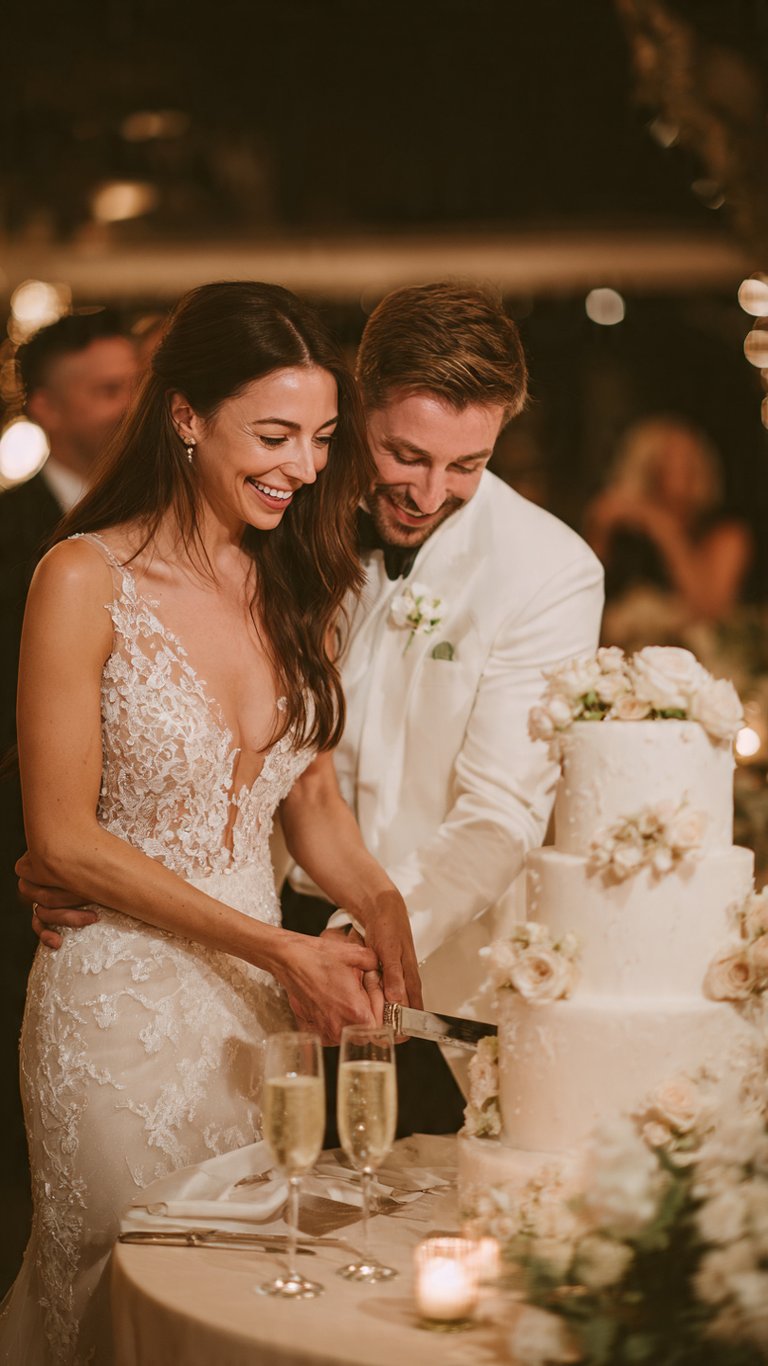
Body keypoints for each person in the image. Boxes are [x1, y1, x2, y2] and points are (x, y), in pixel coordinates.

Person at [24, 283, 605, 1135]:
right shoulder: (288, 518)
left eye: (467, 466)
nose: (429, 493)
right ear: (356, 406)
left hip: (399, 960)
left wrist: (373, 924)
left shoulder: (547, 570)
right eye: (403, 454)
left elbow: (495, 811)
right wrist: (85, 860)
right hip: (217, 944)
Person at [0, 281, 420, 1366]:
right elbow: (63, 839)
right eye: (274, 436)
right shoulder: (83, 577)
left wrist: (380, 903)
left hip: (255, 1024)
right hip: (117, 1007)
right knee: (112, 1301)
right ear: (186, 415)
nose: (304, 467)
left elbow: (310, 803)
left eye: (321, 438)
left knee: (241, 1309)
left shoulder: (299, 582)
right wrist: (284, 947)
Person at [0, 309, 138, 1296]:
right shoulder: (9, 531)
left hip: (143, 879)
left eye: (137, 384)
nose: (129, 408)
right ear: (44, 409)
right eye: (105, 391)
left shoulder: (176, 533)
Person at [584, 415, 753, 650]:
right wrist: (600, 527)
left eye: (688, 462)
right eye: (665, 461)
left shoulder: (726, 534)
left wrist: (662, 527)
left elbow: (709, 610)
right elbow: (586, 593)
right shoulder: (629, 533)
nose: (677, 471)